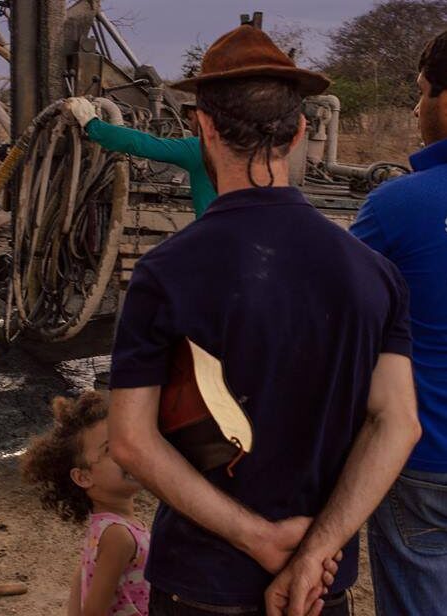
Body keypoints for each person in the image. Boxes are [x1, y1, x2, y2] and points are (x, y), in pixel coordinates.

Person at [107, 24, 421, 616]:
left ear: (203, 127)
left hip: (201, 583)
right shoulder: (374, 274)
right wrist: (315, 551)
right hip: (318, 589)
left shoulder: (164, 273)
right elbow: (397, 424)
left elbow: (130, 440)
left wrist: (258, 538)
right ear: (300, 131)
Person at [350, 29, 447, 616]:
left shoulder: (396, 205)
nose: (415, 109)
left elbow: (337, 314)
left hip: (426, 458)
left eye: (422, 91)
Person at [21, 391, 151, 615]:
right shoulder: (118, 535)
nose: (127, 452)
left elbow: (81, 577)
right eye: (110, 449)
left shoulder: (105, 527)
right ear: (83, 477)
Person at [64, 93, 216, 218]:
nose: (189, 125)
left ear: (203, 118)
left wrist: (91, 122)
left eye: (191, 119)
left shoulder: (201, 148)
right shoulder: (227, 145)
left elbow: (141, 143)